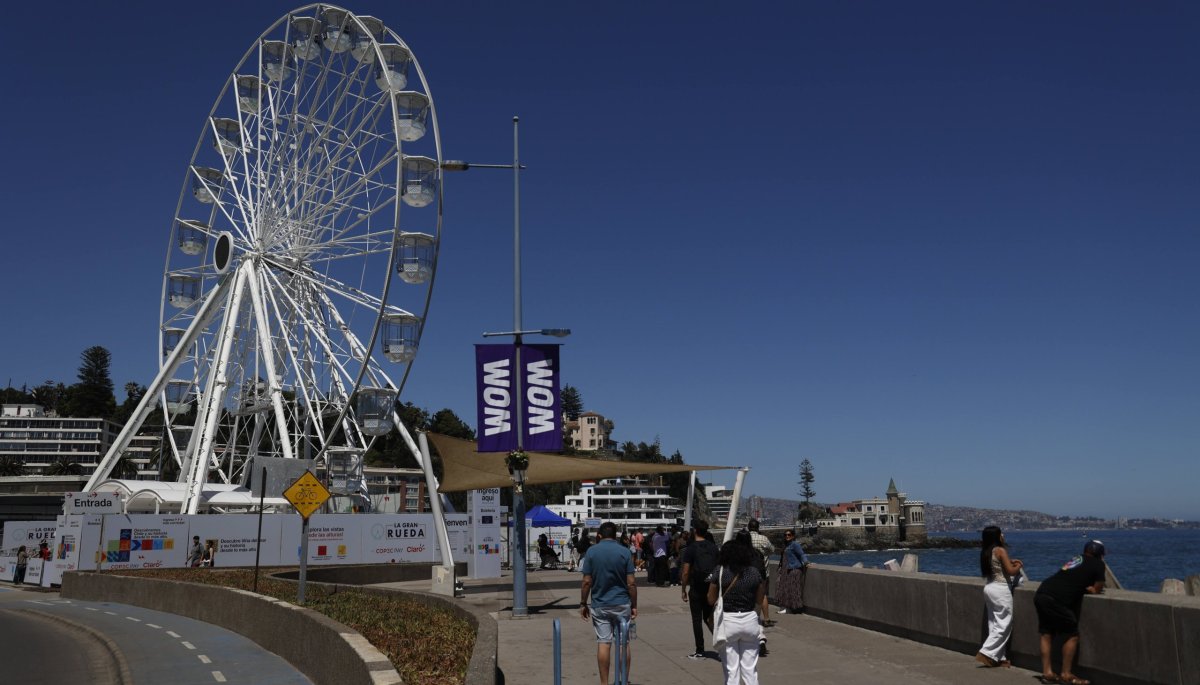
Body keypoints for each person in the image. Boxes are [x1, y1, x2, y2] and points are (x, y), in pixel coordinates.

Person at [1034, 540, 1108, 685]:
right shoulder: (1099, 564)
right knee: (1072, 635)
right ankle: (1066, 674)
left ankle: (1047, 673)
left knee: (1046, 634)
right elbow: (1097, 589)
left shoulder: (1076, 559)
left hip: (1042, 593)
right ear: (1100, 553)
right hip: (1057, 600)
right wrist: (1089, 588)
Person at [580, 521, 637, 685]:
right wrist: (634, 605)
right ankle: (623, 681)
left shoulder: (591, 552)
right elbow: (631, 583)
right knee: (623, 644)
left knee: (604, 643)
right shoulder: (625, 552)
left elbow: (586, 581)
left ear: (599, 535)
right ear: (616, 535)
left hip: (600, 604)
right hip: (622, 604)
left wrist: (583, 603)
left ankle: (604, 683)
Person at [708, 535, 764, 685]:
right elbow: (760, 599)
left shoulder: (720, 571)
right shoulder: (753, 572)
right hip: (749, 620)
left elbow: (711, 599)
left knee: (731, 670)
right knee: (750, 669)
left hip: (728, 622)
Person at [976, 526, 1022, 668]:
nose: (1003, 535)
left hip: (989, 588)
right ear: (997, 536)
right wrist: (1019, 565)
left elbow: (999, 567)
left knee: (994, 623)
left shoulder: (986, 552)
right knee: (1004, 624)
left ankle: (999, 658)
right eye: (1001, 534)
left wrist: (1010, 561)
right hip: (1001, 589)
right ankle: (987, 652)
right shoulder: (1000, 550)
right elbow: (1011, 571)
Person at [680, 520, 720, 659]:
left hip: (697, 586)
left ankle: (700, 650)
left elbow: (685, 572)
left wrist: (683, 589)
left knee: (697, 619)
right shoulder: (713, 547)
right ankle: (722, 646)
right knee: (710, 618)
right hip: (711, 587)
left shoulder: (691, 548)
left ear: (695, 530)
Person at [746, 519, 775, 629]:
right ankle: (766, 619)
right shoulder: (763, 539)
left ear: (748, 527)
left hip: (747, 571)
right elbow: (772, 550)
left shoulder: (745, 538)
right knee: (763, 595)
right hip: (762, 571)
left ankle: (750, 618)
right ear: (758, 528)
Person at [775, 529, 810, 614]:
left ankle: (792, 608)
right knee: (786, 589)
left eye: (789, 535)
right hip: (786, 570)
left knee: (793, 589)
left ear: (793, 536)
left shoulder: (795, 544)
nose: (787, 536)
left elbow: (801, 554)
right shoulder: (786, 545)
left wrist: (806, 562)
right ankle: (788, 607)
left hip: (794, 569)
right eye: (785, 535)